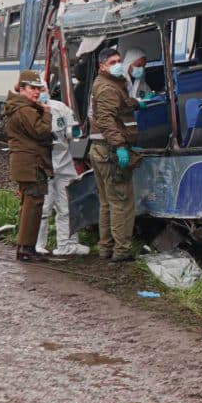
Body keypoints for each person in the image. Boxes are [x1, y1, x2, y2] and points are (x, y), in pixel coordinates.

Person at [89, 48, 144, 262]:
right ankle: (121, 251)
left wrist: (137, 103)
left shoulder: (108, 84)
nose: (118, 64)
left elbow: (118, 105)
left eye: (119, 60)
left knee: (106, 202)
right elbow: (106, 120)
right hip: (110, 151)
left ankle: (106, 248)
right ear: (102, 66)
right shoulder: (107, 88)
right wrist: (120, 145)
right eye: (113, 61)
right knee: (122, 202)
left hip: (100, 150)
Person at [4, 70, 54, 262]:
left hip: (26, 163)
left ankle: (26, 247)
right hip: (31, 164)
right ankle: (26, 249)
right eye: (32, 88)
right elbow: (41, 131)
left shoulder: (21, 107)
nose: (36, 92)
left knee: (30, 205)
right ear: (22, 88)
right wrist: (47, 113)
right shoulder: (25, 110)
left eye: (38, 89)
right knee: (33, 205)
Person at [35, 86, 90, 256]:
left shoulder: (60, 108)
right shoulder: (28, 112)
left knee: (67, 205)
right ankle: (37, 244)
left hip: (64, 165)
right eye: (37, 89)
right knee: (43, 207)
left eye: (43, 88)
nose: (41, 92)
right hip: (43, 166)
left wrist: (71, 132)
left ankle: (66, 245)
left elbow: (73, 130)